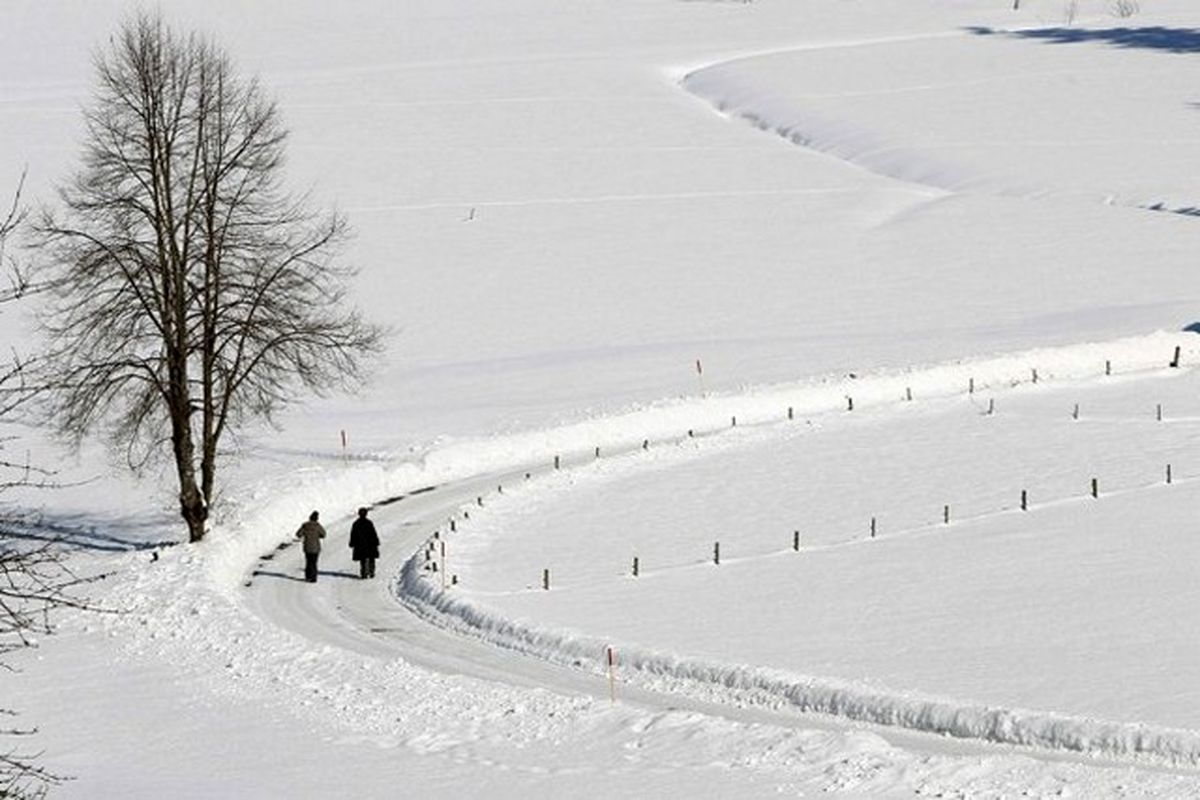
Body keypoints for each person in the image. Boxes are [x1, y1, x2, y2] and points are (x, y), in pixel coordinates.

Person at [295, 510, 326, 583]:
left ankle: (308, 576)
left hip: (307, 547)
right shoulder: (318, 526)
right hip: (316, 548)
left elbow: (298, 534)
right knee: (314, 563)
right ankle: (314, 578)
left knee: (308, 562)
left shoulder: (305, 525)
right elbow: (324, 534)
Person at [349, 507, 380, 579]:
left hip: (361, 545)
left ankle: (364, 573)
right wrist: (376, 542)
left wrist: (352, 543)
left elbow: (353, 535)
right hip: (370, 544)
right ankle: (371, 572)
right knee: (371, 558)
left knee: (363, 560)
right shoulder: (369, 523)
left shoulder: (356, 524)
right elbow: (373, 534)